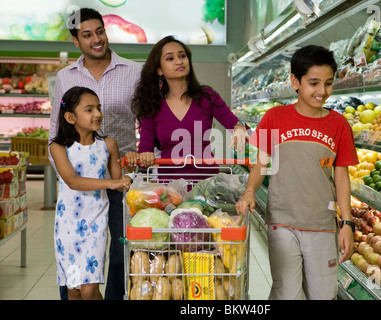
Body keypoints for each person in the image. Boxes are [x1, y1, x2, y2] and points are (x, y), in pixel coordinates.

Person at [235, 45, 359, 300]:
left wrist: (347, 222)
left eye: (328, 83)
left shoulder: (339, 125)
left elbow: (341, 176)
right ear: (295, 81)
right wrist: (249, 192)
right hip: (282, 221)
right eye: (314, 83)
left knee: (323, 295)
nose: (322, 92)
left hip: (322, 224)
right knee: (286, 293)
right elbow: (261, 164)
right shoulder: (275, 117)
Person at [48, 8, 142, 300]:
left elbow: (147, 120)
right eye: (87, 35)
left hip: (121, 177)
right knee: (74, 266)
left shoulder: (134, 71)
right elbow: (56, 126)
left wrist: (139, 162)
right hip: (79, 187)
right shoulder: (65, 77)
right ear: (76, 41)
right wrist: (67, 172)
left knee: (119, 252)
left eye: (99, 31)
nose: (96, 39)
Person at [124, 35, 249, 178]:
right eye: (170, 58)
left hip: (207, 186)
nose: (179, 61)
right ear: (159, 70)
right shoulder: (152, 105)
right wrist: (144, 157)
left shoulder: (207, 96)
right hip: (170, 189)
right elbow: (144, 154)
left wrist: (239, 126)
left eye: (182, 56)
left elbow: (238, 125)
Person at [50, 86, 131, 300]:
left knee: (89, 289)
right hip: (67, 227)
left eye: (98, 108)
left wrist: (128, 173)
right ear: (70, 117)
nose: (97, 114)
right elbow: (73, 181)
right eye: (89, 109)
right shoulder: (58, 147)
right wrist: (111, 183)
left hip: (95, 222)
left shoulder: (108, 145)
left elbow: (120, 181)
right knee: (73, 290)